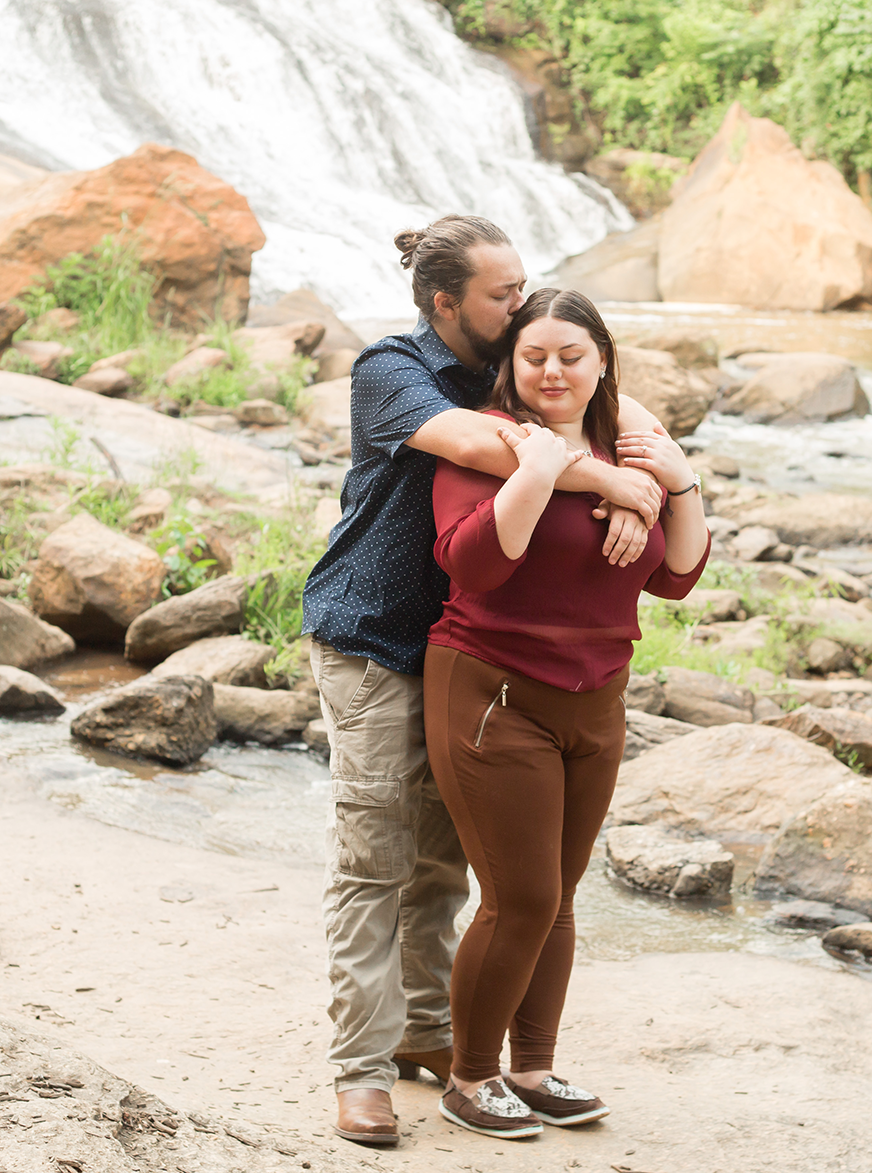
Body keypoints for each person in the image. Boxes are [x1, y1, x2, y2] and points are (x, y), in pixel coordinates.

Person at [300, 216, 672, 1147]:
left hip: (468, 652)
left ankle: (426, 1030)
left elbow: (623, 409)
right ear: (444, 303)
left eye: (523, 290)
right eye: (503, 296)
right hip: (375, 636)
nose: (519, 308)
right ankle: (359, 1071)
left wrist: (662, 475)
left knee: (446, 860)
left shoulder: (516, 368)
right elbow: (495, 451)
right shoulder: (393, 372)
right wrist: (615, 484)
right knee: (376, 857)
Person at [423, 287, 710, 1139]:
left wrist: (671, 483)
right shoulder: (489, 442)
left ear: (602, 363)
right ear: (510, 367)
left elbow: (677, 576)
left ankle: (533, 1068)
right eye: (535, 356)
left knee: (559, 897)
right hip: (492, 692)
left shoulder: (629, 449)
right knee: (521, 896)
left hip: (597, 701)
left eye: (572, 356)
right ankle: (470, 1079)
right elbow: (471, 564)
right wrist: (540, 471)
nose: (553, 371)